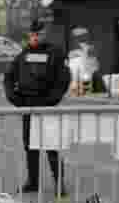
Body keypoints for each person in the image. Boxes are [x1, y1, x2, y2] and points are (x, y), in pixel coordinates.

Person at [4, 20, 71, 194]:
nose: (34, 37)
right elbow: (9, 77)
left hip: (47, 107)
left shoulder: (55, 53)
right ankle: (33, 181)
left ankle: (59, 183)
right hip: (28, 107)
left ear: (44, 34)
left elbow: (63, 79)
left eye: (38, 34)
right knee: (30, 146)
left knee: (51, 147)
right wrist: (14, 98)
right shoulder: (23, 55)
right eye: (32, 34)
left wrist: (52, 100)